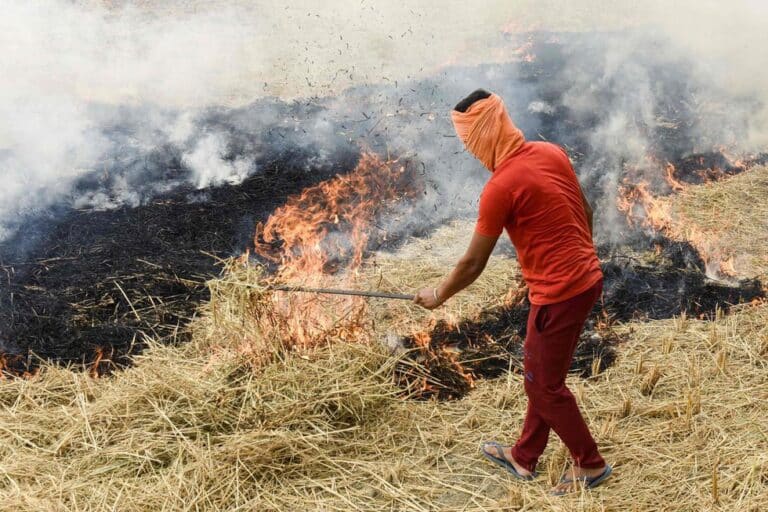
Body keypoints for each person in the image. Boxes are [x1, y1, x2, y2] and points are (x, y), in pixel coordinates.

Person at [413, 89, 612, 496]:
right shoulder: (549, 151)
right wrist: (573, 259)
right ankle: (524, 456)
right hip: (586, 279)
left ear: (485, 132)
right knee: (544, 374)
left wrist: (439, 294)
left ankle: (589, 464)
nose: (469, 150)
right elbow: (586, 212)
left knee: (543, 385)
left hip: (560, 293)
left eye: (468, 140)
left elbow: (472, 264)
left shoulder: (500, 188)